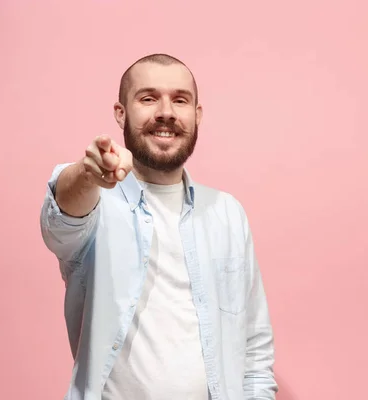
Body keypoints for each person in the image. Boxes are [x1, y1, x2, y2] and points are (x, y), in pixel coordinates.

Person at [40, 53, 278, 400]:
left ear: (196, 115)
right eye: (148, 98)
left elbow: (255, 347)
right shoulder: (97, 202)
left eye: (180, 100)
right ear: (121, 113)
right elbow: (61, 220)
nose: (166, 112)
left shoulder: (227, 213)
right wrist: (88, 174)